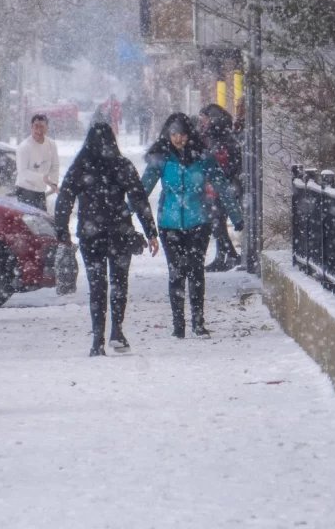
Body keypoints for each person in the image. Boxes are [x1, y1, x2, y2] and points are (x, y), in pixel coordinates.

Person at [55, 121, 159, 357]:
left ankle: (97, 340)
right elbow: (138, 199)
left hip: (91, 234)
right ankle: (117, 331)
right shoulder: (121, 165)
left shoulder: (80, 166)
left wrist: (62, 230)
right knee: (119, 283)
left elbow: (64, 199)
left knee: (97, 285)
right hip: (119, 231)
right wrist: (150, 232)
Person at [142, 113, 243, 339]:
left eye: (183, 134)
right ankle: (179, 323)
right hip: (169, 223)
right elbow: (142, 190)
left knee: (196, 271)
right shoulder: (161, 158)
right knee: (176, 273)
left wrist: (235, 216)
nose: (178, 139)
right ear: (168, 135)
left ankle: (198, 321)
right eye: (174, 134)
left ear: (190, 135)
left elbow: (222, 186)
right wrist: (126, 212)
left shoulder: (203, 158)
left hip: (199, 221)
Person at [199, 103, 242, 272]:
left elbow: (231, 165)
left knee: (217, 221)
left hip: (224, 188)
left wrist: (223, 180)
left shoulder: (225, 140)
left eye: (206, 118)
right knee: (217, 222)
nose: (203, 122)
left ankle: (228, 255)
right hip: (214, 188)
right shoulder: (212, 138)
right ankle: (225, 255)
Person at [15, 113, 60, 212]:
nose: (39, 130)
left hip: (40, 191)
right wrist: (42, 178)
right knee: (29, 221)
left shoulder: (51, 144)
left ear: (47, 128)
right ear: (31, 127)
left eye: (42, 127)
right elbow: (22, 172)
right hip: (25, 190)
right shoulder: (24, 147)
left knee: (41, 222)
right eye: (36, 126)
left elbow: (54, 166)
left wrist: (54, 182)